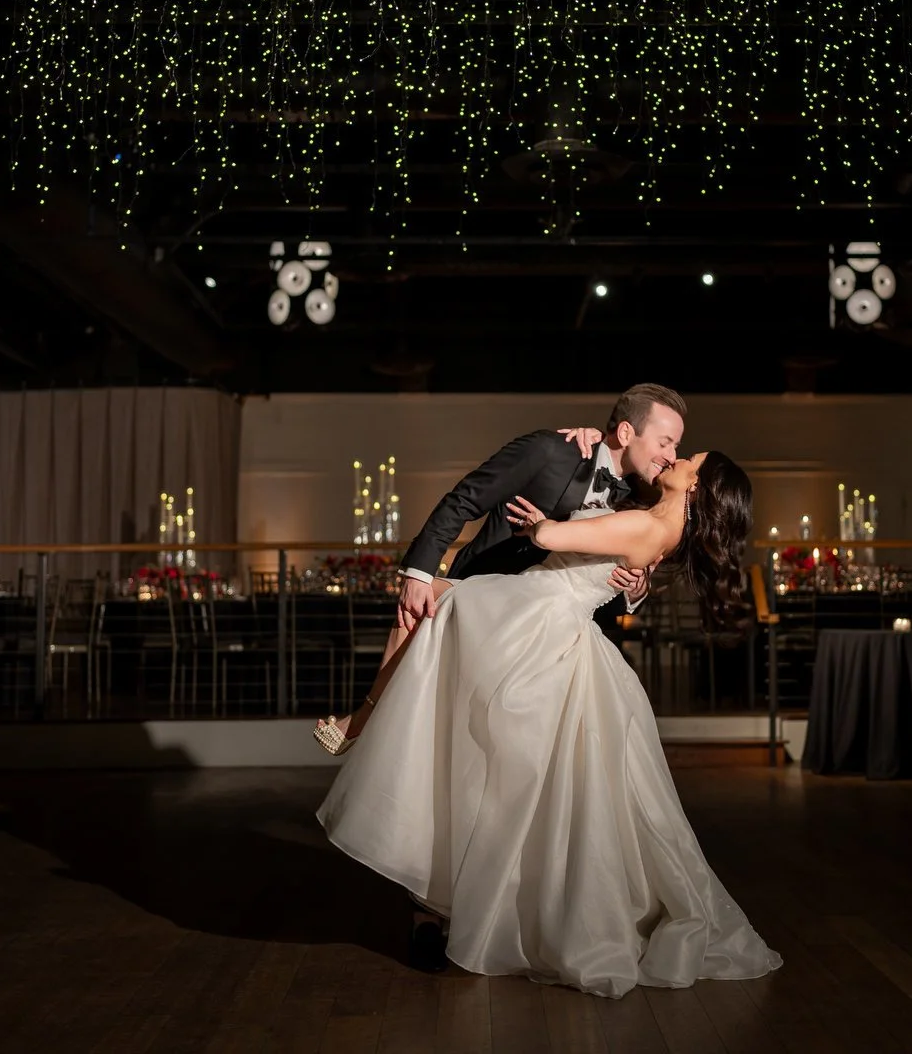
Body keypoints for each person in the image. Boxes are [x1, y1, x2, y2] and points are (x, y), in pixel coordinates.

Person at [315, 449, 783, 997]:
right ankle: (371, 730)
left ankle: (364, 720)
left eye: (689, 459)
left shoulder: (643, 522)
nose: (676, 458)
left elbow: (549, 543)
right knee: (517, 770)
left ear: (698, 486)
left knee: (429, 610)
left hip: (532, 614)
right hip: (550, 619)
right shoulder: (661, 530)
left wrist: (540, 526)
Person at [313, 384, 686, 753]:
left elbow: (594, 587)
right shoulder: (551, 450)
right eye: (665, 442)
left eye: (676, 447)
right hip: (485, 605)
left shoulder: (642, 502)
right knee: (445, 716)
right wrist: (419, 572)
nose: (671, 456)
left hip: (552, 641)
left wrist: (633, 594)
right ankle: (367, 720)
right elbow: (465, 498)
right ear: (625, 432)